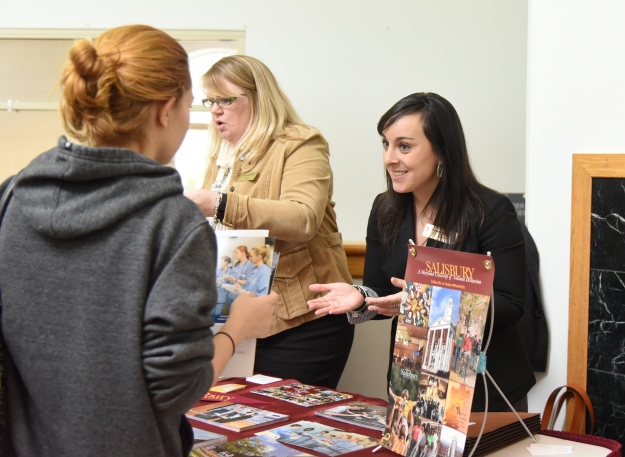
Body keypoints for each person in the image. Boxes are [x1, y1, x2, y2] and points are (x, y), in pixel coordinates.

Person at [0, 25, 277, 457]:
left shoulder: (12, 198)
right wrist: (238, 326)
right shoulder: (172, 221)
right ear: (166, 109)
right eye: (191, 105)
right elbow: (176, 388)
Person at [308, 92, 536, 411]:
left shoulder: (490, 210)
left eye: (404, 146)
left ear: (442, 150)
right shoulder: (385, 209)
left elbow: (511, 305)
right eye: (385, 144)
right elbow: (386, 290)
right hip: (413, 380)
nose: (389, 158)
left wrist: (427, 301)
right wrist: (361, 296)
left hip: (481, 390)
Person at [184, 55, 353, 388]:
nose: (216, 110)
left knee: (285, 433)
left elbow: (302, 217)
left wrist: (218, 203)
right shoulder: (221, 158)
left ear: (259, 97)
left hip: (300, 321)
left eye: (225, 100)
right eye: (210, 101)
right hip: (239, 319)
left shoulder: (301, 144)